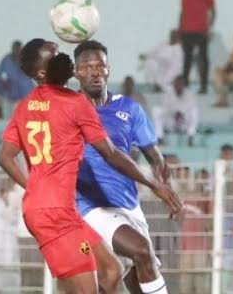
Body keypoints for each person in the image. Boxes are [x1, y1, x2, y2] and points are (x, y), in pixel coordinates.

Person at [0, 38, 182, 293]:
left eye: (61, 54)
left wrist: (35, 187)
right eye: (56, 57)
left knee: (111, 271)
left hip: (65, 212)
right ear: (42, 72)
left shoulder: (27, 105)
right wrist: (153, 184)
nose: (65, 60)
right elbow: (111, 153)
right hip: (60, 216)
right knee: (97, 280)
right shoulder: (73, 103)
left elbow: (5, 157)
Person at [73, 40, 172, 294]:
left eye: (100, 66)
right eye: (86, 66)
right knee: (141, 251)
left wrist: (164, 183)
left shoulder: (129, 109)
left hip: (128, 205)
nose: (94, 71)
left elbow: (154, 154)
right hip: (90, 206)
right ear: (76, 72)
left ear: (108, 70)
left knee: (132, 278)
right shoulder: (70, 111)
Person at [179, 0, 216, 94]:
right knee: (187, 60)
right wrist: (180, 29)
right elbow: (182, 12)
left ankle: (204, 86)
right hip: (186, 31)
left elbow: (213, 12)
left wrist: (209, 28)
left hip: (201, 31)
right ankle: (184, 85)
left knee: (203, 59)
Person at [152, 75, 199, 147]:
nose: (178, 86)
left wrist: (180, 112)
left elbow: (190, 106)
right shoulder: (168, 93)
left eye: (180, 84)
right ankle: (160, 138)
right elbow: (165, 107)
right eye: (176, 84)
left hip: (184, 123)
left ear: (184, 85)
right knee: (156, 110)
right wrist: (175, 112)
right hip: (171, 121)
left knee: (194, 111)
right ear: (173, 85)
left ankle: (190, 137)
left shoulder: (190, 94)